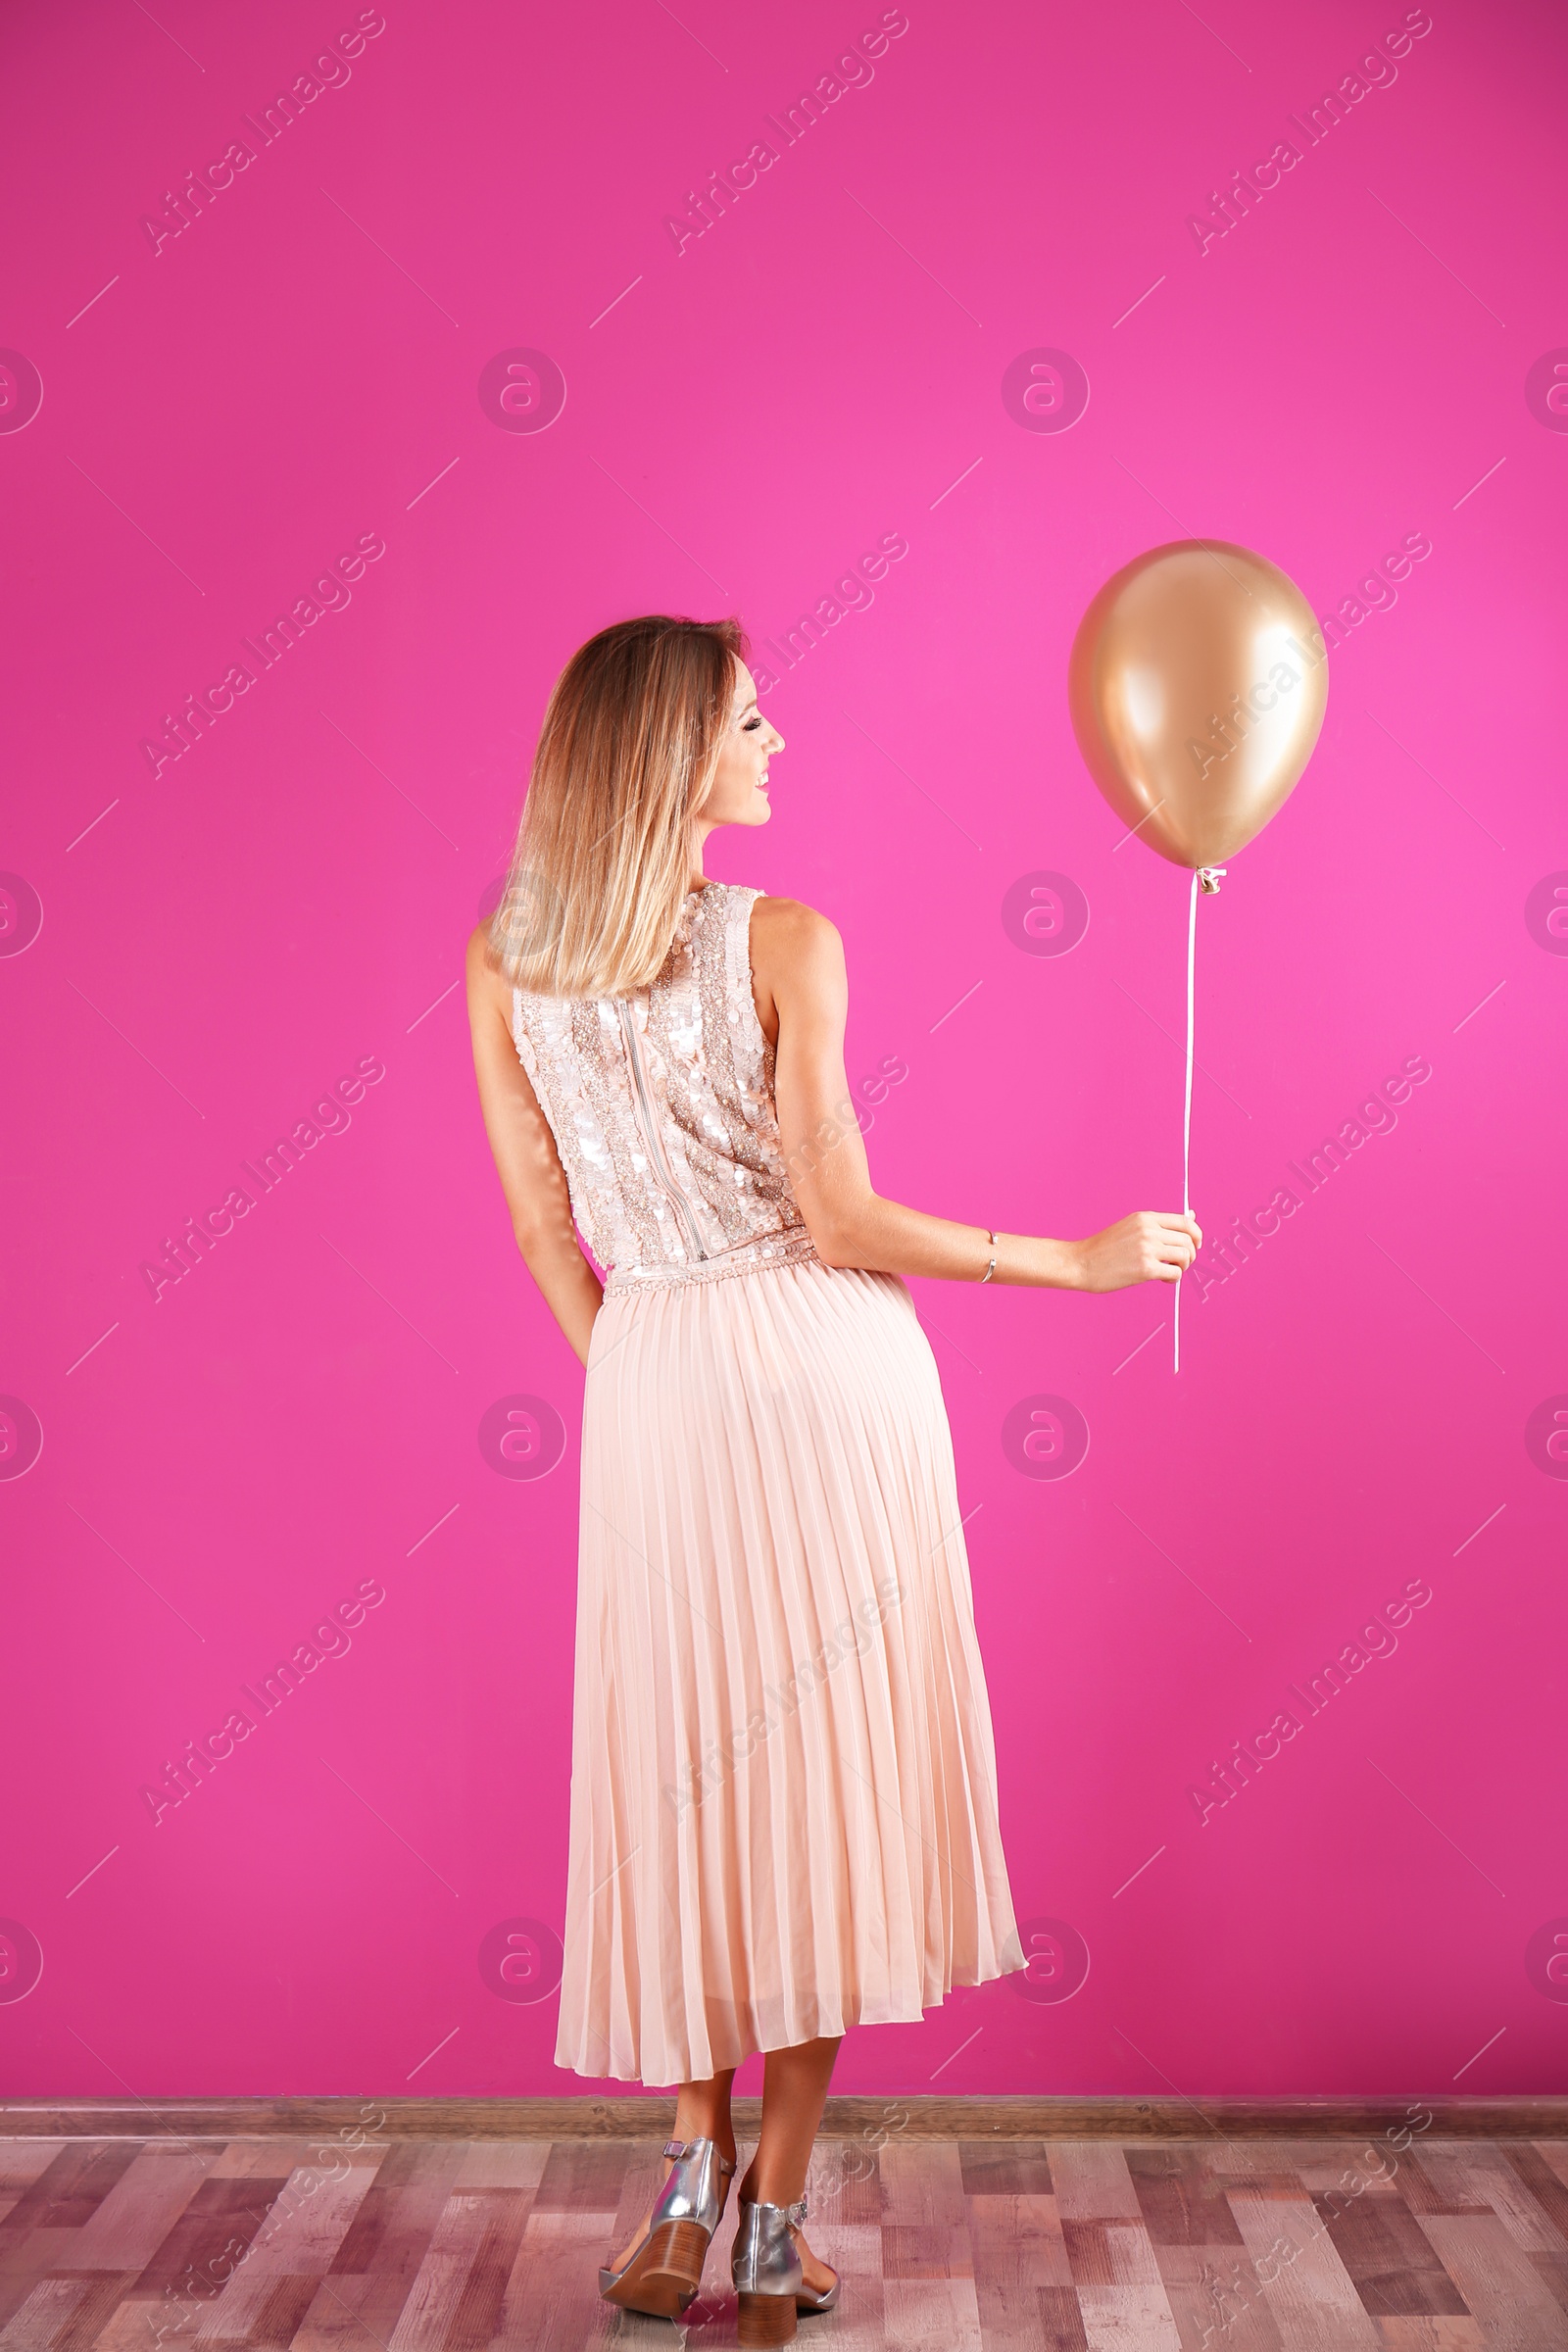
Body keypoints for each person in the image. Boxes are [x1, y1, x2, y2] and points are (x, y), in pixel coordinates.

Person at [466, 613, 1200, 2343]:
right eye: (749, 718)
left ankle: (724, 2183)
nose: (776, 743)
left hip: (677, 1383)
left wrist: (646, 1382)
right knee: (771, 1786)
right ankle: (748, 2207)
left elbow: (534, 1227)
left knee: (710, 1791)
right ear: (670, 756)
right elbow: (845, 1219)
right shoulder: (784, 940)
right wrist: (1072, 1261)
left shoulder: (505, 960)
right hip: (807, 1375)